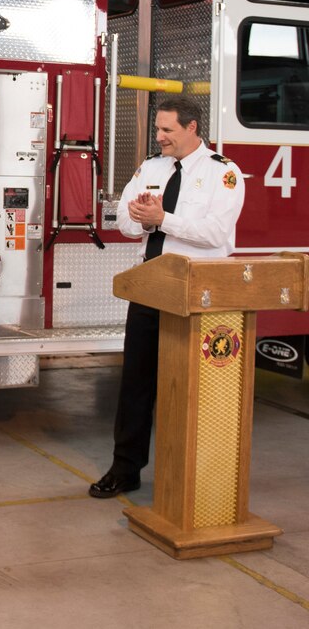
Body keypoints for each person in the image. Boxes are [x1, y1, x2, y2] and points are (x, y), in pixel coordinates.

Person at [90, 96, 245, 499]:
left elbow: (217, 233)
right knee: (136, 384)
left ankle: (198, 477)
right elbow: (124, 222)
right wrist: (141, 216)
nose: (159, 138)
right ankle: (125, 469)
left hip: (197, 296)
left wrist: (164, 219)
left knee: (194, 388)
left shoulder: (223, 173)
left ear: (192, 128)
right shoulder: (152, 168)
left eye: (167, 131)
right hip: (150, 287)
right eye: (157, 129)